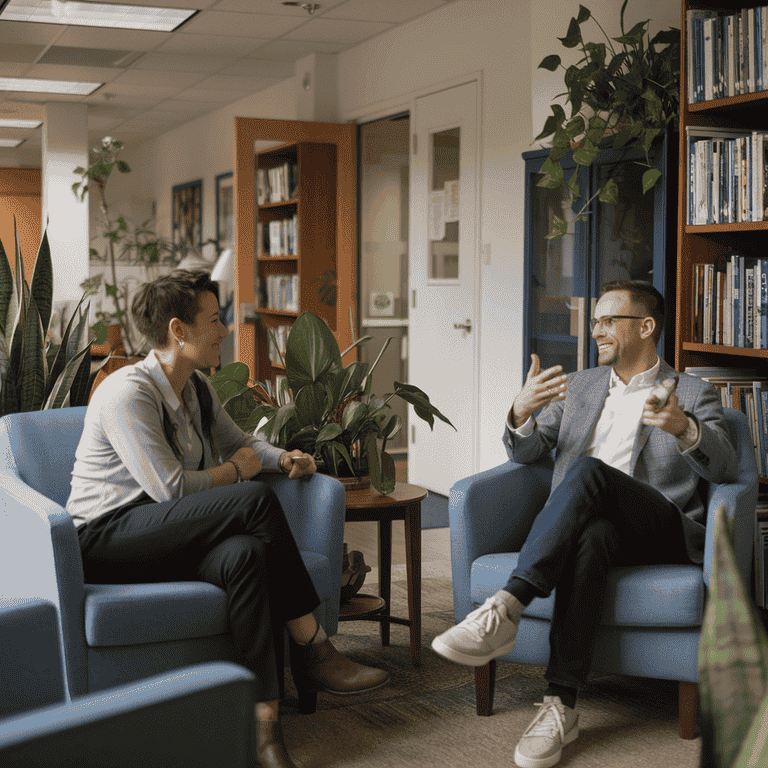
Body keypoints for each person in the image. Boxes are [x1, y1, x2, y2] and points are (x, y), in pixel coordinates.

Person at [66, 269, 389, 768]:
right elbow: (170, 487)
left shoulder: (196, 386)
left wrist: (279, 458)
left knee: (247, 554)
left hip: (166, 529)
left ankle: (263, 728)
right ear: (179, 329)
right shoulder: (127, 392)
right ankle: (314, 648)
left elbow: (242, 443)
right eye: (214, 320)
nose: (223, 331)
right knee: (253, 501)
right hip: (107, 537)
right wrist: (233, 472)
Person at [431, 280, 737, 768]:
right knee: (591, 537)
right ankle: (560, 704)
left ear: (646, 326)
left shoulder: (694, 391)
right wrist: (521, 412)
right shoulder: (579, 387)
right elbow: (527, 452)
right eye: (594, 321)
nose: (596, 330)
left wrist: (683, 426)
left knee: (591, 471)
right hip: (592, 529)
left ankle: (508, 604)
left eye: (608, 320)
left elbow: (723, 467)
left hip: (660, 527)